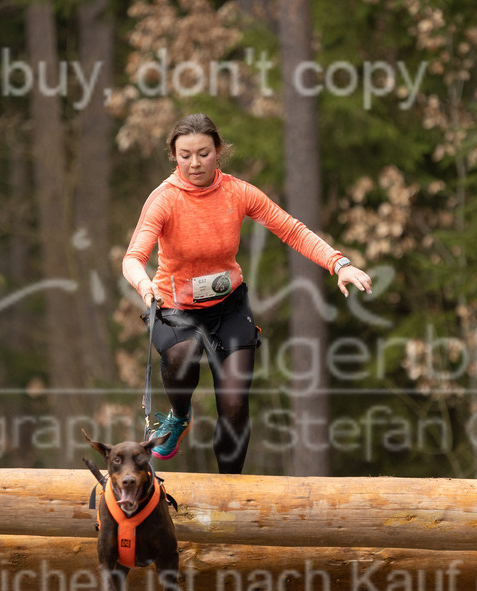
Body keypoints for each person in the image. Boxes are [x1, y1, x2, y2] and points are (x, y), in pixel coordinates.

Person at [122, 113, 373, 474]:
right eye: (185, 155)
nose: (195, 163)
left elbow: (292, 230)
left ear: (219, 151)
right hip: (174, 306)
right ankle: (178, 417)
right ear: (174, 156)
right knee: (182, 351)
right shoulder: (164, 199)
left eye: (204, 153)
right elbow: (133, 258)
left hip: (228, 307)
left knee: (236, 403)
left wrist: (340, 264)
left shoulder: (237, 193)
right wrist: (144, 284)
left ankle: (230, 490)